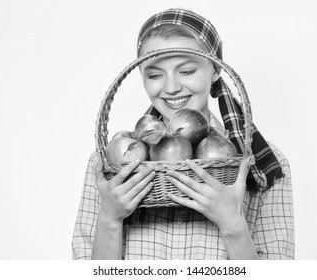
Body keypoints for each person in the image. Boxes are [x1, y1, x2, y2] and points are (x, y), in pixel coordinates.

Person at [72, 8, 294, 260]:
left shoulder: (259, 162)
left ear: (215, 70)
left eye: (187, 71)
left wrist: (232, 225)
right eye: (155, 74)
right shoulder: (111, 165)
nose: (171, 87)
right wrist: (110, 218)